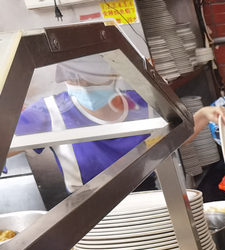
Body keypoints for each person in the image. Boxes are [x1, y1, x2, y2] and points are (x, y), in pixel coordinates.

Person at [14, 56, 156, 193]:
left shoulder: (144, 102)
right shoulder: (47, 111)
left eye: (92, 78)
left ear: (111, 73)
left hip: (147, 196)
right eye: (72, 78)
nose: (83, 85)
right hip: (87, 205)